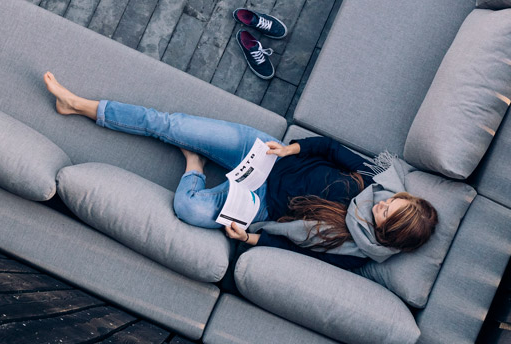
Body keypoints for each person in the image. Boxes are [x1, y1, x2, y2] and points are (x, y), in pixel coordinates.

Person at [43, 72, 438, 271]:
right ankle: (79, 104)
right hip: (268, 156)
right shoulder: (375, 181)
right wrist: (291, 147)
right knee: (172, 125)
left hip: (259, 204)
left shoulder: (355, 254)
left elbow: (298, 253)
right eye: (396, 202)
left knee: (190, 210)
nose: (383, 205)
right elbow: (331, 148)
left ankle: (194, 164)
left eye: (388, 215)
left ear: (387, 235)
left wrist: (250, 239)